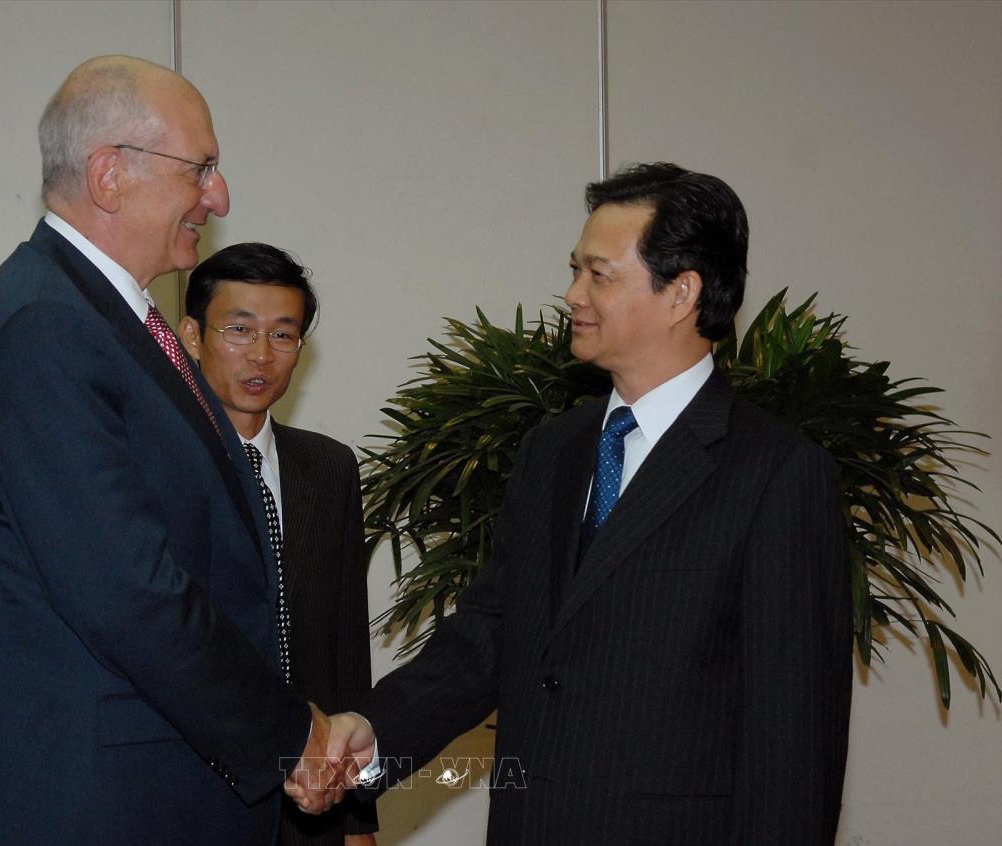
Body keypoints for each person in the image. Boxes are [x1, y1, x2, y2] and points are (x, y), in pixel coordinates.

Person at [326, 163, 853, 844]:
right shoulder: (553, 449)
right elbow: (494, 630)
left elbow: (793, 740)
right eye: (575, 270)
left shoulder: (777, 473)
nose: (572, 294)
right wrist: (374, 736)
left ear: (681, 292)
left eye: (598, 275)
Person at [0, 56, 340, 846]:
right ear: (109, 175)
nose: (218, 197)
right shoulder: (48, 328)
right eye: (200, 168)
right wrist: (288, 733)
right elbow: (129, 591)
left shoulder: (103, 318)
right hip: (97, 803)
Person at [177, 242, 379, 846]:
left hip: (310, 797)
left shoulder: (328, 467)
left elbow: (346, 645)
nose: (261, 354)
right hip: (193, 791)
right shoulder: (161, 468)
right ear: (192, 336)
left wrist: (358, 814)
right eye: (239, 330)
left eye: (283, 335)